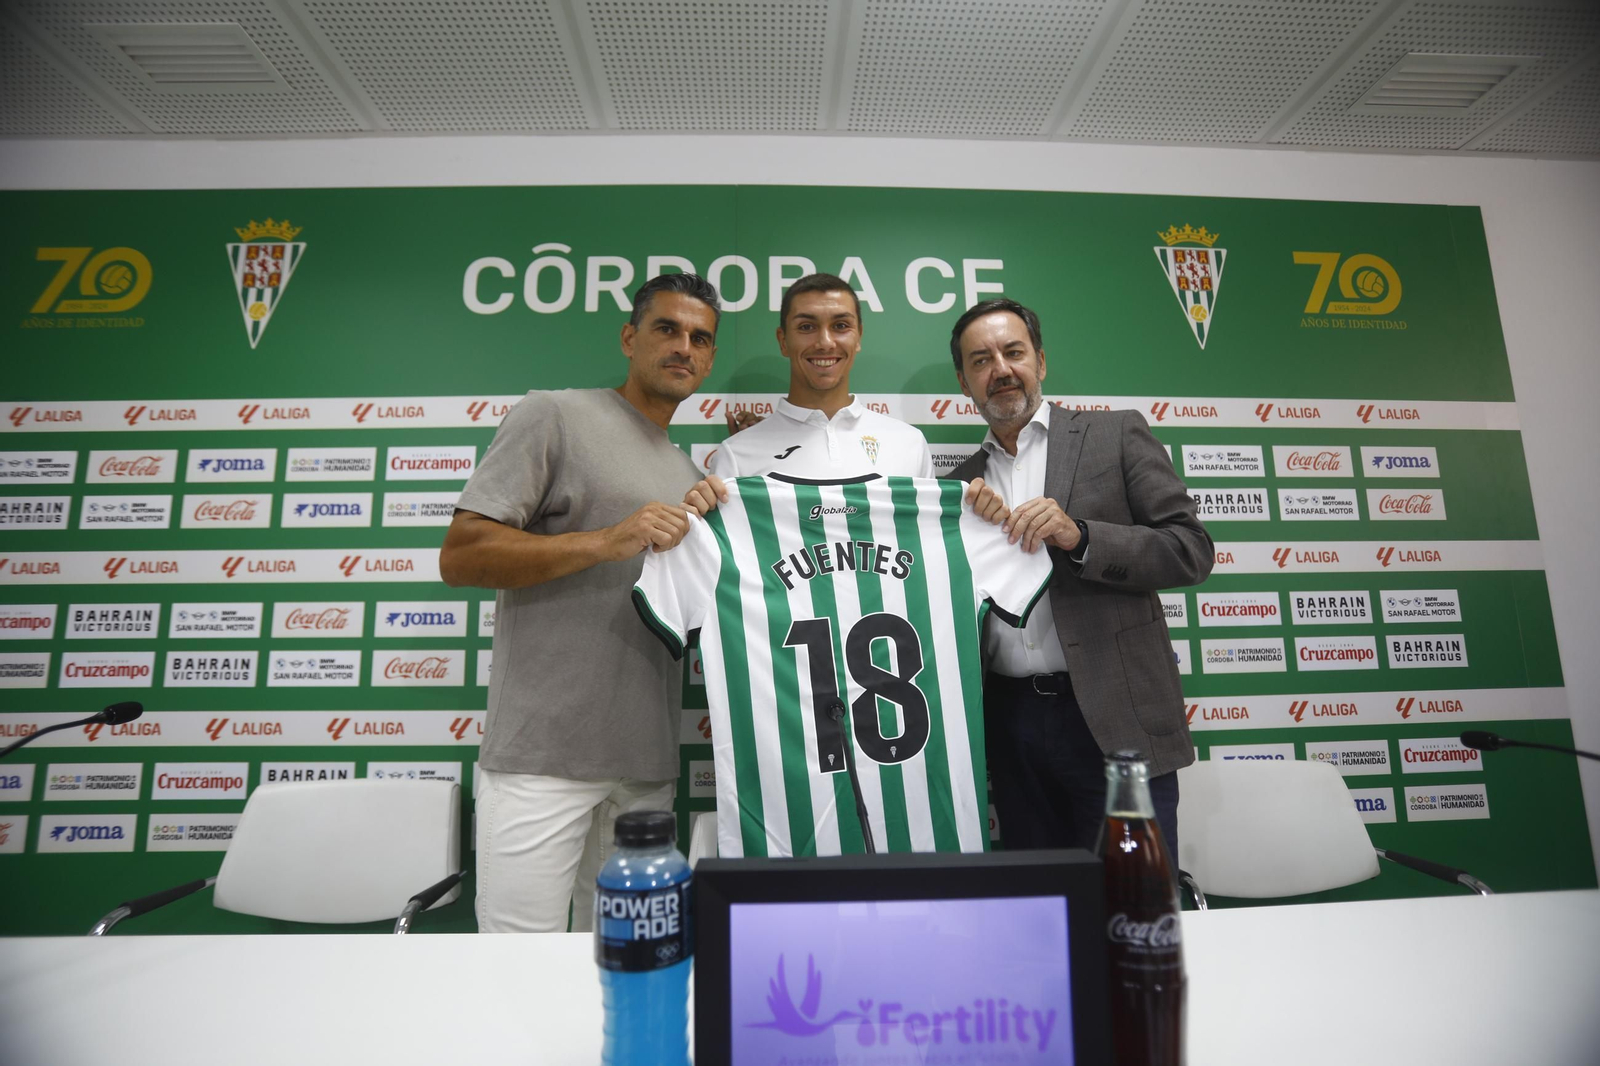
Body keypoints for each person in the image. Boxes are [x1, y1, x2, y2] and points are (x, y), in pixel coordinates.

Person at [438, 273, 718, 933]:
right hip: (542, 758)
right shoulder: (555, 414)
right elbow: (460, 556)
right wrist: (604, 541)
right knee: (515, 965)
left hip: (644, 764)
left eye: (700, 338)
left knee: (623, 970)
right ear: (629, 337)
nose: (684, 347)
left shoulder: (689, 475)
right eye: (667, 329)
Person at [943, 297, 1213, 855]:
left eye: (1013, 352)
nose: (1001, 370)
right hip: (1010, 724)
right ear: (964, 382)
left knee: (1133, 906)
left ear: (1040, 361)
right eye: (981, 360)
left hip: (1115, 716)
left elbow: (1191, 550)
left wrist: (1081, 536)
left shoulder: (1114, 435)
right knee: (1042, 908)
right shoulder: (959, 487)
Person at [684, 272, 1005, 520]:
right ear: (783, 341)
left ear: (858, 337)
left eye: (840, 325)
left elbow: (927, 549)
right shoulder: (737, 455)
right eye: (807, 327)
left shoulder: (908, 443)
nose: (825, 342)